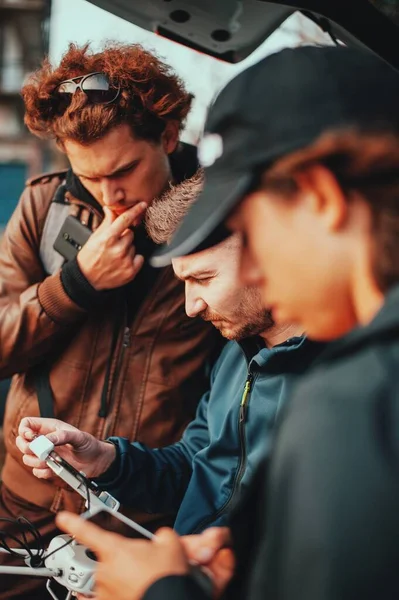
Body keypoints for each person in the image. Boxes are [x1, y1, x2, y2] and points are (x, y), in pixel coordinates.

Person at [52, 45, 399, 600]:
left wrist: (161, 590)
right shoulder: (280, 367)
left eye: (256, 234)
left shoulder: (357, 398)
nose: (258, 271)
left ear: (322, 200)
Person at [0, 43, 221, 600]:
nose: (109, 196)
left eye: (124, 170)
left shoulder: (220, 218)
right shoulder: (43, 208)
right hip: (27, 500)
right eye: (90, 177)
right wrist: (75, 286)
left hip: (144, 513)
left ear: (168, 138)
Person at [17, 170, 322, 539]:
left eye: (204, 279)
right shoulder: (233, 356)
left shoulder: (345, 382)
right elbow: (197, 471)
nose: (191, 306)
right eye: (183, 283)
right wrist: (105, 460)